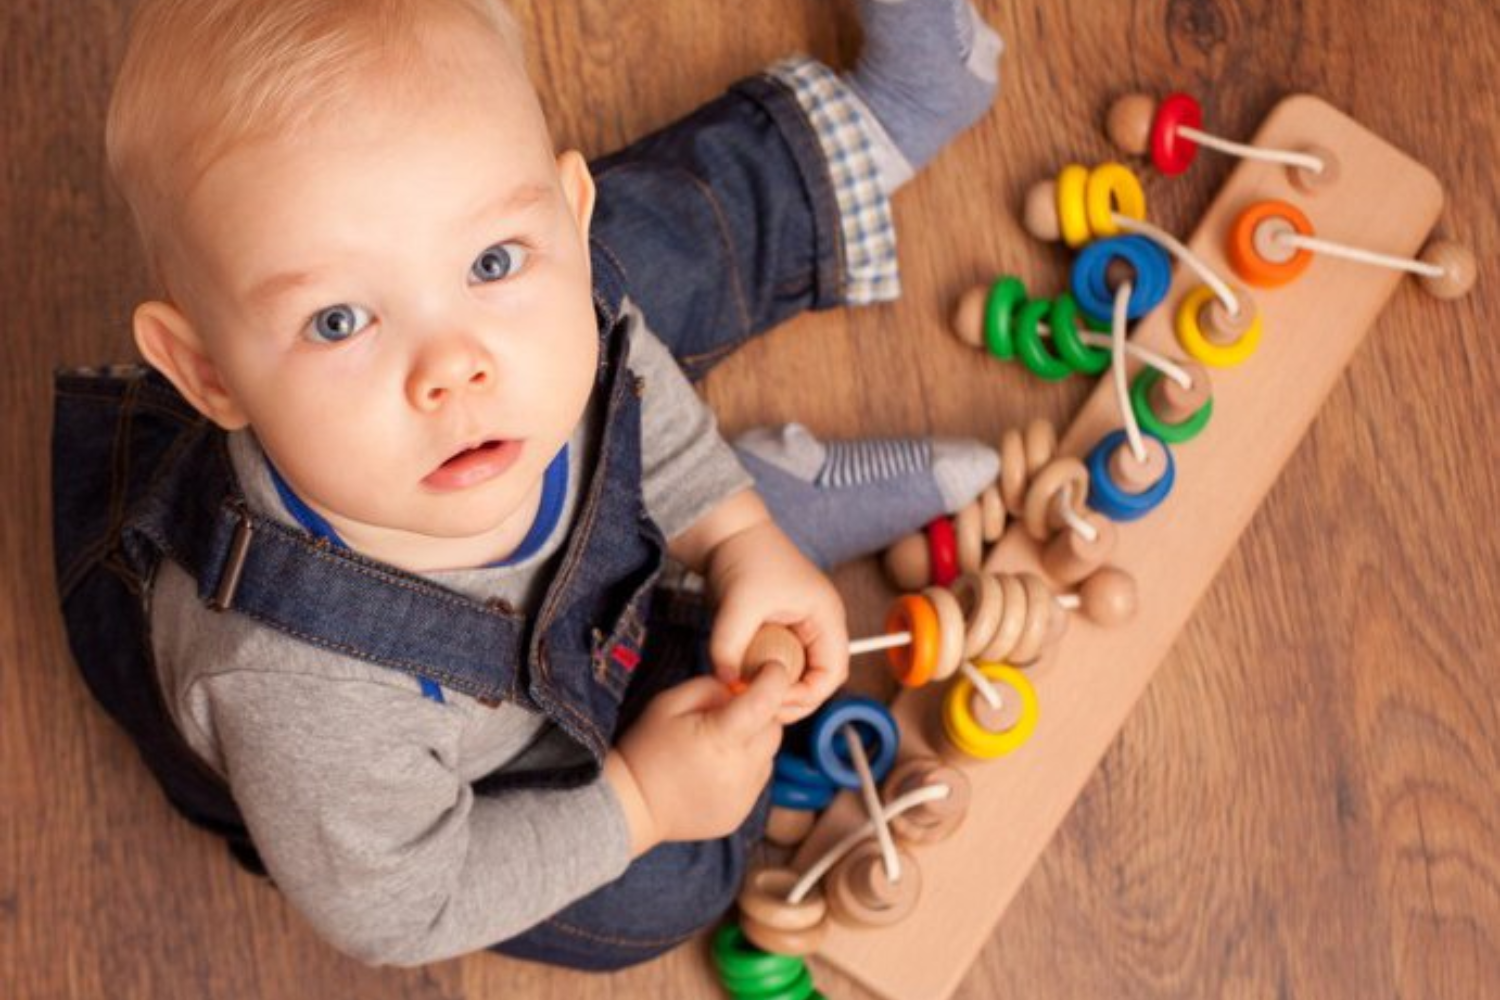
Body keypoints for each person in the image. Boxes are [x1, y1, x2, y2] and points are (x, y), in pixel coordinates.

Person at [52, 0, 1004, 973]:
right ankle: (689, 576)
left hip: (571, 543)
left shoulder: (501, 339)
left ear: (562, 214)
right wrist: (639, 803)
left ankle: (863, 131)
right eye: (339, 320)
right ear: (207, 370)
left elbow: (623, 377)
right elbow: (402, 905)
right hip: (474, 765)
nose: (455, 364)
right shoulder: (299, 688)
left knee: (634, 269)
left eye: (490, 260)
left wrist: (735, 529)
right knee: (665, 880)